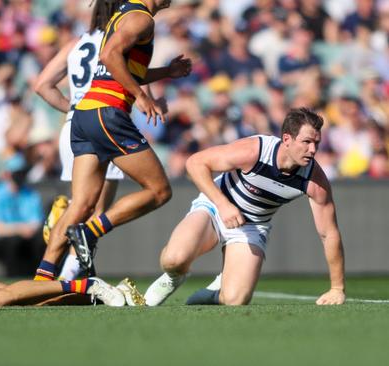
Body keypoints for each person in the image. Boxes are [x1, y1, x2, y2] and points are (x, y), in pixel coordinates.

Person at [33, 0, 192, 280]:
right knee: (159, 191)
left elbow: (122, 68)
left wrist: (167, 72)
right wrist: (142, 97)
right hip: (108, 113)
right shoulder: (141, 19)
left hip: (83, 114)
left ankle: (41, 279)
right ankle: (89, 232)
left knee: (80, 205)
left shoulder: (122, 16)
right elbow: (109, 55)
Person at [143, 108, 346, 306]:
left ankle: (214, 292)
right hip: (214, 208)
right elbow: (195, 163)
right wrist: (223, 204)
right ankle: (173, 277)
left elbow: (329, 233)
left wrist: (337, 289)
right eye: (307, 142)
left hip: (252, 226)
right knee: (173, 260)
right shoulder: (255, 151)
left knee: (235, 300)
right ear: (286, 139)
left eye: (316, 143)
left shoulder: (314, 180)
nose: (313, 150)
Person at [34, 0, 124, 282]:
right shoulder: (118, 38)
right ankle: (69, 273)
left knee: (82, 203)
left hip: (74, 126)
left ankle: (53, 272)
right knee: (96, 210)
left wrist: (73, 108)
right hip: (104, 122)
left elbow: (42, 85)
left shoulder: (76, 42)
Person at [0, 154, 45, 277]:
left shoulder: (31, 194)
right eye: (17, 172)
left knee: (40, 242)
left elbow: (37, 223)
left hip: (28, 238)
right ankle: (14, 280)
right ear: (6, 174)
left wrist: (27, 230)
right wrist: (21, 229)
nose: (20, 176)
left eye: (22, 172)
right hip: (0, 241)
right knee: (15, 243)